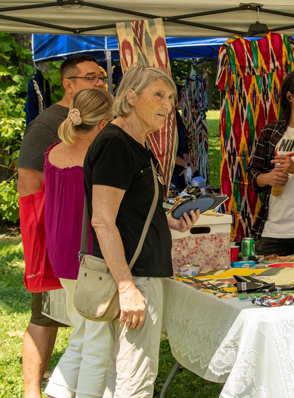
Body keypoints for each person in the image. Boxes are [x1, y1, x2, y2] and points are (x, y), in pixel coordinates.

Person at [83, 63, 200, 397]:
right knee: (136, 378)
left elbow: (131, 211)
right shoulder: (117, 144)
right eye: (158, 95)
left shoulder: (136, 143)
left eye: (171, 97)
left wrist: (172, 222)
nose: (168, 105)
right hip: (133, 276)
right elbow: (102, 220)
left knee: (120, 373)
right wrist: (126, 286)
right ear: (131, 97)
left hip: (138, 273)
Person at [17, 54, 105, 398]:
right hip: (61, 239)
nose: (99, 81)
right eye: (90, 77)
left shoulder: (84, 128)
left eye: (100, 76)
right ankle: (31, 392)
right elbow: (28, 186)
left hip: (68, 241)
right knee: (47, 316)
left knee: (81, 329)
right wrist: (52, 228)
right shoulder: (47, 125)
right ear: (68, 84)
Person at [43, 88, 114, 398]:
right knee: (97, 336)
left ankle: (59, 390)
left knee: (82, 331)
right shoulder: (96, 155)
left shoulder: (53, 152)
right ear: (103, 123)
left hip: (61, 249)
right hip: (89, 253)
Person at [248, 70, 294, 262]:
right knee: (265, 285)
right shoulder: (271, 131)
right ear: (290, 96)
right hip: (272, 228)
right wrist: (267, 178)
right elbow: (253, 173)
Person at [171, 84, 195, 191]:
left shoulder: (177, 117)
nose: (183, 100)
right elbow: (167, 153)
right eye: (181, 96)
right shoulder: (166, 121)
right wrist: (187, 165)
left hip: (182, 169)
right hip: (172, 172)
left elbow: (184, 145)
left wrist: (187, 167)